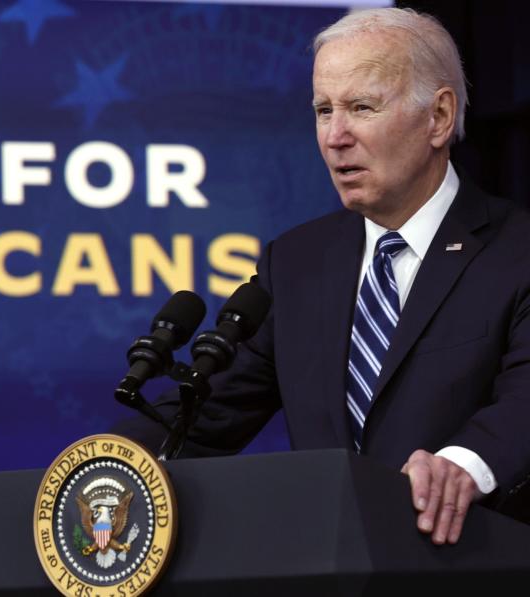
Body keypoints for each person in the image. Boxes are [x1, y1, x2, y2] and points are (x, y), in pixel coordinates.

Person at [114, 7, 530, 545]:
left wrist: (463, 465)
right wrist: (93, 465)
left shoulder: (516, 251)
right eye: (322, 109)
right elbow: (207, 410)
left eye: (361, 107)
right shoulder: (297, 263)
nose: (335, 136)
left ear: (439, 118)